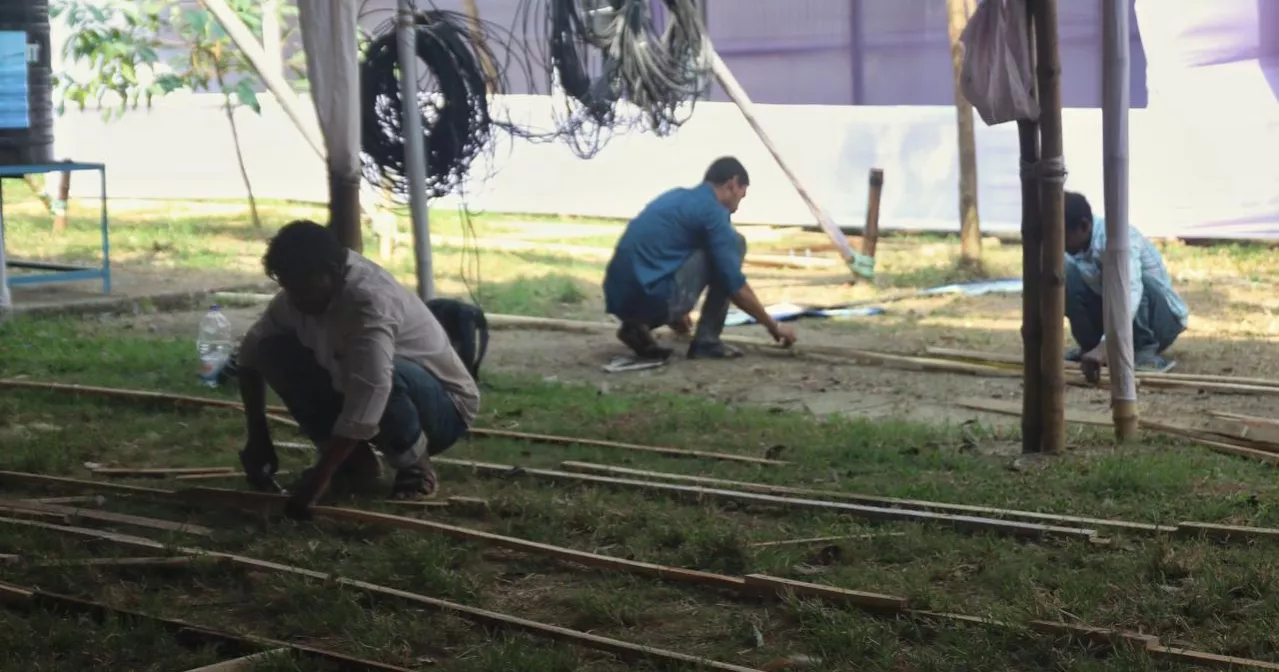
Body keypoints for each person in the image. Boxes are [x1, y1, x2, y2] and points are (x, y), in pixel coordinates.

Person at [234, 220, 480, 519]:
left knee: (386, 372)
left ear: (333, 272)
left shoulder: (370, 301)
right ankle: (353, 465)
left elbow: (372, 389)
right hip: (367, 394)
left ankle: (415, 468)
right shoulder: (296, 297)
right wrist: (258, 435)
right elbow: (249, 356)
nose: (295, 300)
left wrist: (317, 481)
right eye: (288, 289)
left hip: (443, 410)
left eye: (302, 288)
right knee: (273, 350)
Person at [602, 157, 797, 360]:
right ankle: (707, 341)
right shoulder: (712, 211)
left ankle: (636, 325)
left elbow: (664, 251)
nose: (738, 206)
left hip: (619, 297)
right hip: (654, 296)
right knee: (734, 244)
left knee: (710, 246)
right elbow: (734, 284)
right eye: (741, 196)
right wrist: (773, 326)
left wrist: (677, 312)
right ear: (732, 184)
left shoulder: (676, 197)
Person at [1063, 191, 1189, 381]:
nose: (1058, 242)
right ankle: (1091, 350)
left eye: (1062, 235)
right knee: (1065, 273)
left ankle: (1144, 351)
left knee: (1126, 280)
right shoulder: (1073, 248)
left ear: (1084, 225)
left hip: (1159, 322)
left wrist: (1106, 344)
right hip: (1114, 320)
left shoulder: (1118, 238)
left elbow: (1130, 291)